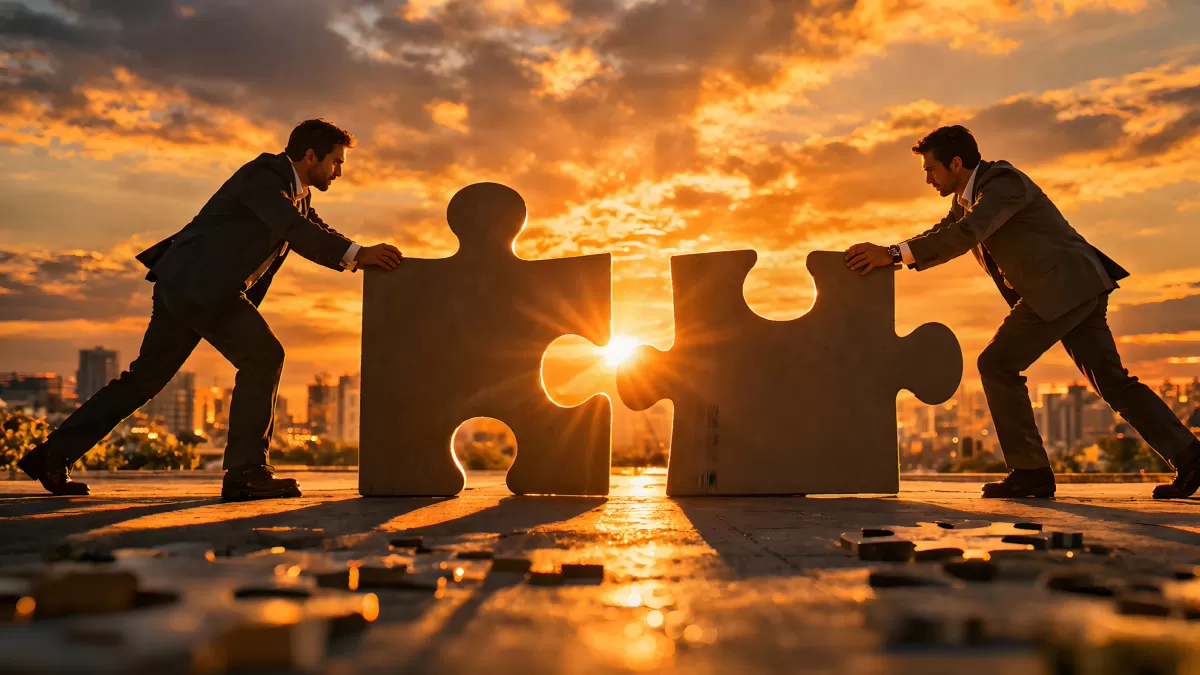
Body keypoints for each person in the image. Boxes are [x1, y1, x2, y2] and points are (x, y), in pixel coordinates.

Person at [17, 119, 403, 501]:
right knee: (263, 356)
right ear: (309, 156)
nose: (339, 172)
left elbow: (314, 227)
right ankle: (246, 473)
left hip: (186, 284)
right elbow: (294, 229)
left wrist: (361, 255)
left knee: (144, 380)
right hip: (201, 287)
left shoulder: (297, 192)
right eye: (336, 162)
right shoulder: (265, 175)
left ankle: (51, 456)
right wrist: (357, 255)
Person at [845, 125, 1200, 499]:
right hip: (1074, 287)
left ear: (955, 163)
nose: (928, 180)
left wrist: (893, 253)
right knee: (1112, 382)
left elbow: (968, 233)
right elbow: (946, 230)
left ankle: (1030, 471)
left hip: (1063, 287)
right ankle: (1191, 457)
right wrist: (891, 254)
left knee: (997, 364)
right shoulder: (967, 199)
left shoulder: (1002, 183)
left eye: (931, 170)